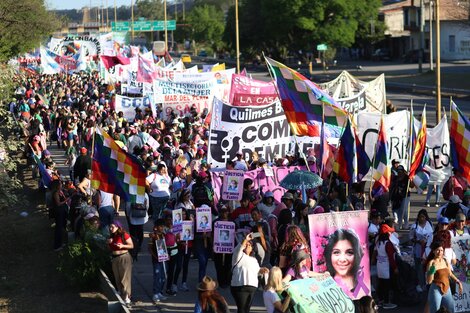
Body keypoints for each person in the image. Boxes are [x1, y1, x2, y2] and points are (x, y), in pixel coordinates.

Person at [231, 233, 269, 313]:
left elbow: (257, 270)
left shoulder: (254, 260)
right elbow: (240, 247)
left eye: (250, 245)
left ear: (252, 248)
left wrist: (262, 270)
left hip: (252, 287)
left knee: (246, 309)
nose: (248, 246)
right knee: (241, 309)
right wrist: (246, 239)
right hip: (240, 286)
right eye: (246, 244)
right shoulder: (238, 255)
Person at [324, 228, 365, 298]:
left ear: (356, 255)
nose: (342, 259)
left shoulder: (362, 288)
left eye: (349, 252)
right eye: (336, 252)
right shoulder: (325, 288)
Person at [425, 241, 463, 313]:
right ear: (433, 251)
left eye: (441, 250)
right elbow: (429, 281)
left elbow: (450, 274)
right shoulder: (431, 263)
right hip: (436, 289)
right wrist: (432, 270)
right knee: (435, 311)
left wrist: (458, 281)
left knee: (451, 310)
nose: (440, 252)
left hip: (447, 289)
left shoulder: (445, 260)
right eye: (437, 250)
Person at [107, 221, 134, 306]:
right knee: (117, 278)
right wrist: (108, 243)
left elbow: (131, 245)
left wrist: (122, 246)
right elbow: (109, 249)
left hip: (124, 257)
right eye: (110, 227)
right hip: (115, 258)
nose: (111, 229)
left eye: (113, 227)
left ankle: (126, 297)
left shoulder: (124, 235)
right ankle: (121, 295)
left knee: (125, 279)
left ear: (118, 227)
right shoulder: (111, 236)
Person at [373, 223, 398, 309]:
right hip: (386, 267)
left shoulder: (378, 242)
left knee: (381, 284)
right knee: (387, 285)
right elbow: (391, 257)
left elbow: (375, 253)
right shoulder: (388, 244)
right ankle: (387, 303)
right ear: (387, 234)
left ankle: (380, 301)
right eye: (390, 232)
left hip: (379, 266)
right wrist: (395, 267)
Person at [409, 209, 434, 292]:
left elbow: (432, 235)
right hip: (418, 250)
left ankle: (427, 283)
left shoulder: (429, 224)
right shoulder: (414, 226)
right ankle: (420, 284)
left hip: (427, 249)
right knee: (419, 268)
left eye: (423, 217)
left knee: (427, 267)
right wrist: (418, 241)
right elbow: (411, 238)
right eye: (420, 217)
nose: (422, 219)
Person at [149, 219, 169, 303]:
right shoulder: (153, 236)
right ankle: (155, 293)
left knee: (163, 276)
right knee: (157, 276)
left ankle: (160, 291)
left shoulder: (164, 235)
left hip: (164, 259)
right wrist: (155, 257)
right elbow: (150, 248)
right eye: (160, 226)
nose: (162, 228)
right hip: (156, 260)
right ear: (156, 227)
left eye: (163, 226)